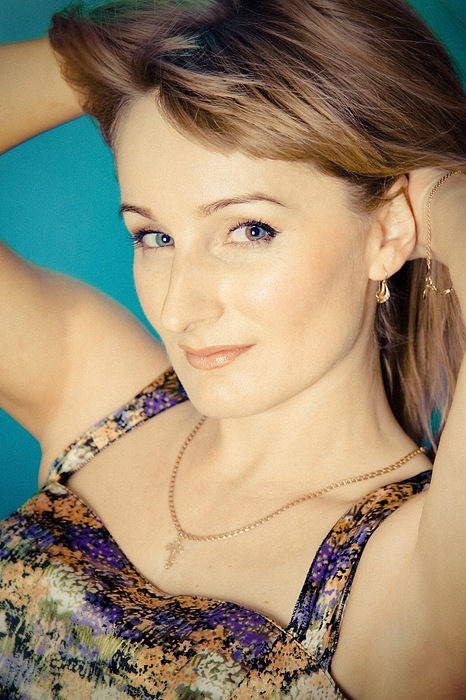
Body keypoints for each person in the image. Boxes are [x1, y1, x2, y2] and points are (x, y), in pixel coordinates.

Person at [0, 0, 465, 697]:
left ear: (391, 229)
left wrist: (444, 193)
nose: (179, 308)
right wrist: (146, 52)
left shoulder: (418, 572)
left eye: (250, 230)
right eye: (154, 237)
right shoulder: (99, 405)